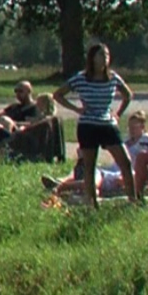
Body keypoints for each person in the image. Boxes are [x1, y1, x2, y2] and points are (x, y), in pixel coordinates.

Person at [54, 42, 136, 208]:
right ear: (92, 58)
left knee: (125, 162)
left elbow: (128, 95)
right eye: (101, 55)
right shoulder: (81, 78)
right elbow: (58, 95)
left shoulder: (113, 77)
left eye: (107, 55)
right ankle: (92, 204)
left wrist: (118, 113)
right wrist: (77, 109)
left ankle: (133, 201)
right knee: (90, 167)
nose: (105, 58)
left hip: (107, 124)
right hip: (88, 126)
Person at [46, 112, 148, 199]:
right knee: (93, 169)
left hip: (129, 170)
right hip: (114, 167)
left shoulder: (146, 140)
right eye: (130, 127)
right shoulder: (126, 139)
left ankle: (63, 186)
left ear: (143, 126)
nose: (131, 130)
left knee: (97, 176)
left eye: (135, 126)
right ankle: (62, 181)